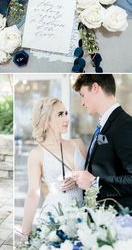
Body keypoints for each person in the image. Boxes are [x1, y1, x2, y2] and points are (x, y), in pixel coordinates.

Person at [21, 97, 86, 239]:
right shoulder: (36, 154)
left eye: (66, 113)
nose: (67, 118)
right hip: (55, 219)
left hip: (84, 218)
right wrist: (24, 237)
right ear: (46, 121)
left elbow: (91, 178)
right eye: (60, 114)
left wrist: (79, 179)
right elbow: (33, 194)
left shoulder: (78, 144)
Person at [72, 74, 132, 210]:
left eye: (82, 95)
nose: (82, 102)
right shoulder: (104, 124)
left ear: (94, 88)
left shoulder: (125, 125)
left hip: (118, 219)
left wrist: (95, 183)